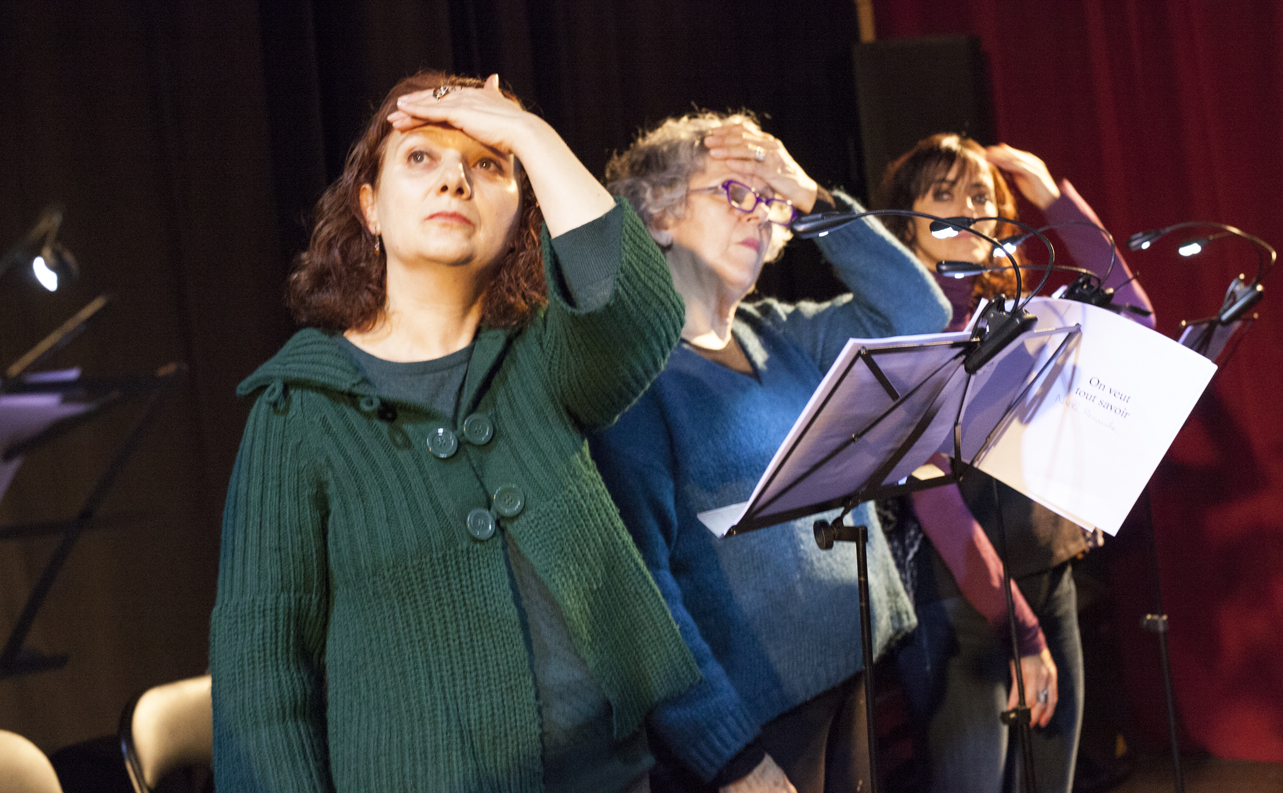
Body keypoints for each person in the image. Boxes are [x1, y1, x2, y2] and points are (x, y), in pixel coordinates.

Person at [209, 71, 702, 793]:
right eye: (420, 159)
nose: (454, 182)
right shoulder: (297, 411)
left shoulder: (545, 353)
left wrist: (530, 133)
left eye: (487, 164)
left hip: (613, 774)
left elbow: (635, 311)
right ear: (369, 209)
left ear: (521, 216)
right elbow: (261, 681)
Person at [588, 112, 953, 793]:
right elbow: (643, 595)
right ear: (658, 219)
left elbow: (918, 316)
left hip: (854, 670)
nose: (759, 214)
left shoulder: (782, 333)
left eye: (768, 199)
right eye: (732, 192)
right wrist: (727, 752)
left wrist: (813, 197)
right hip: (759, 721)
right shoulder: (634, 380)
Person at [875, 134, 1155, 793]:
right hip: (962, 610)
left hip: (1050, 586)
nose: (966, 207)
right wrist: (1022, 636)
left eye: (980, 194)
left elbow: (1137, 322)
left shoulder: (1023, 318)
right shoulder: (902, 327)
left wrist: (1055, 202)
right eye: (942, 195)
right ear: (909, 227)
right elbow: (936, 500)